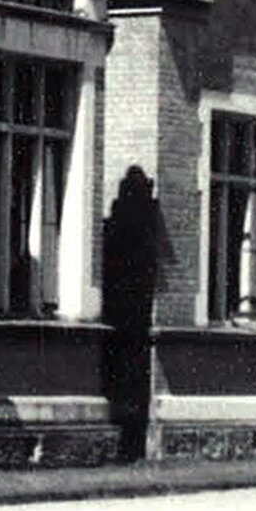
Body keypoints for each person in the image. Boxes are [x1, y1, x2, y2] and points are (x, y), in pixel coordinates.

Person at [102, 165, 166, 462]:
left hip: (128, 316)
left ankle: (130, 443)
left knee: (128, 384)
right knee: (129, 381)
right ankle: (129, 443)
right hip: (128, 316)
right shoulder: (136, 222)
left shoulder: (114, 221)